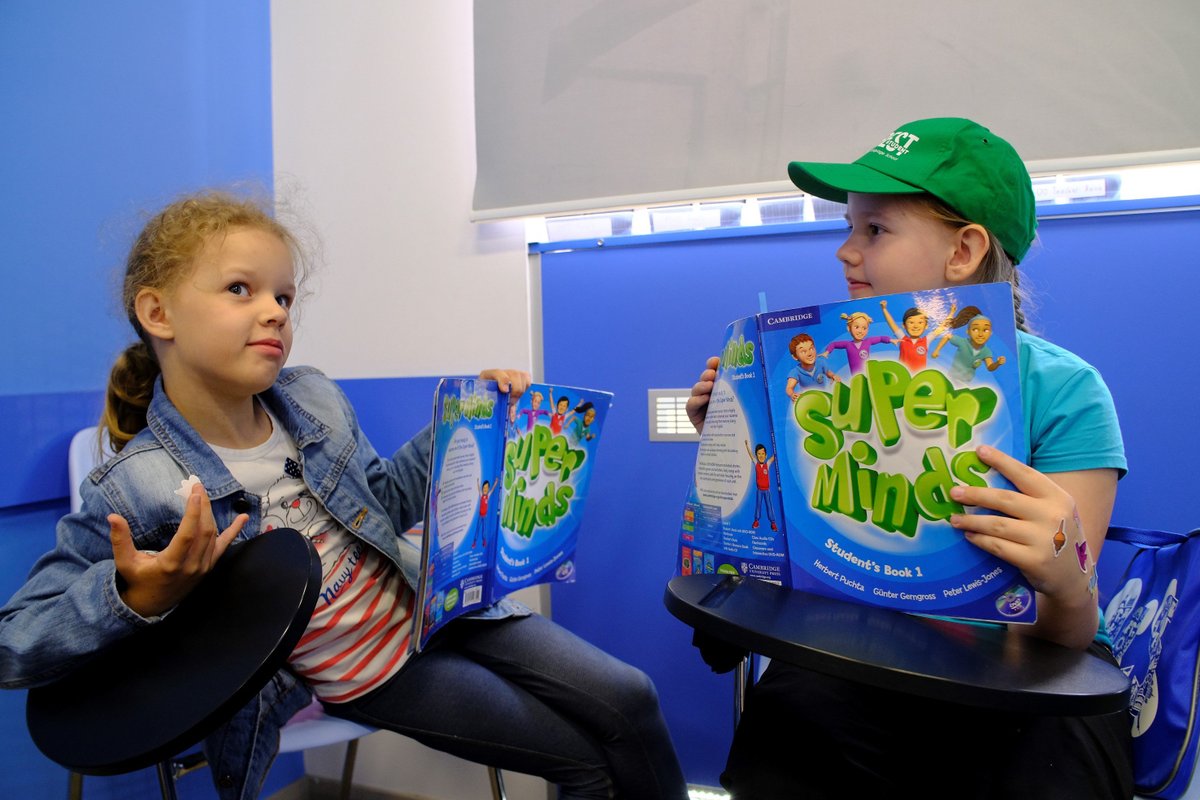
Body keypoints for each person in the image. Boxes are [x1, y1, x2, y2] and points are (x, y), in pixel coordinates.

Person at [0, 191, 687, 800]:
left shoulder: (313, 398)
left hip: (432, 606)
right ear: (158, 312)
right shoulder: (134, 483)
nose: (274, 312)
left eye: (284, 298)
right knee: (585, 762)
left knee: (632, 697)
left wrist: (468, 424)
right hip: (371, 670)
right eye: (241, 289)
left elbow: (385, 502)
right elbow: (16, 640)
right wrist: (135, 596)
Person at [685, 118, 1131, 799]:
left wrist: (1069, 583)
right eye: (849, 227)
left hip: (1022, 672)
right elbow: (772, 565)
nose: (845, 251)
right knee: (789, 735)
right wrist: (732, 448)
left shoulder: (1066, 389)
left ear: (964, 250)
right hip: (862, 652)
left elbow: (1064, 635)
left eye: (874, 230)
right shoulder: (821, 374)